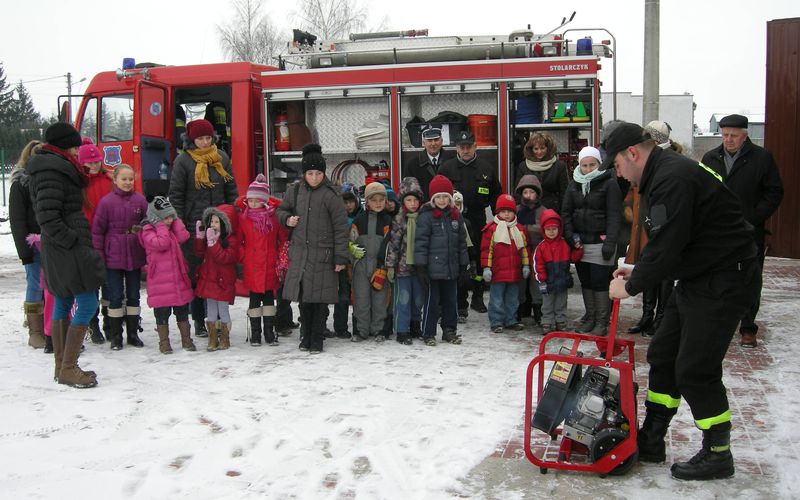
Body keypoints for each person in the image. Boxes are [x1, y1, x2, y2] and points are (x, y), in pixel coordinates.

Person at [606, 122, 760, 481]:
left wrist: (630, 287)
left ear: (633, 153)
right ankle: (654, 437)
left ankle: (718, 453)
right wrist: (637, 270)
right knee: (664, 355)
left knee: (695, 369)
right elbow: (669, 243)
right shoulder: (662, 174)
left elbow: (668, 242)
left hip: (725, 278)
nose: (619, 174)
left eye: (616, 165)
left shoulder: (670, 178)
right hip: (698, 275)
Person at [26, 122, 106, 388]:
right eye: (73, 146)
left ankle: (62, 367)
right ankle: (69, 367)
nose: (76, 151)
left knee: (62, 299)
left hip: (60, 247)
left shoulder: (53, 168)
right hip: (66, 247)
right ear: (64, 146)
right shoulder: (52, 171)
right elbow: (48, 216)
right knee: (86, 303)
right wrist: (72, 240)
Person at [701, 114, 784, 348]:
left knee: (749, 279)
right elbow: (701, 191)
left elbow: (774, 192)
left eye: (734, 136)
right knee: (716, 277)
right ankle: (716, 323)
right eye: (725, 134)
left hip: (748, 231)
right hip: (717, 232)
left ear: (744, 136)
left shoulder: (761, 158)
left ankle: (748, 327)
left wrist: (754, 218)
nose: (728, 140)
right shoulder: (710, 158)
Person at [169, 119, 238, 338]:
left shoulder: (222, 158)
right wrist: (180, 225)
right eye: (200, 138)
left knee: (217, 272)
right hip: (194, 226)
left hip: (218, 225)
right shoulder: (183, 161)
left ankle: (219, 319)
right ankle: (199, 320)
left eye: (208, 138)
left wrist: (230, 219)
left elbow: (231, 190)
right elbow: (176, 195)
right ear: (192, 140)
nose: (205, 142)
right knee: (197, 274)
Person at [277, 144, 349, 354]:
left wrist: (340, 258)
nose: (315, 177)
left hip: (323, 256)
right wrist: (287, 219)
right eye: (310, 173)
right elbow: (281, 210)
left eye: (318, 173)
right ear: (304, 173)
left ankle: (316, 338)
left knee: (319, 301)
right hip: (300, 255)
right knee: (304, 299)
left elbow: (340, 228)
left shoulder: (331, 195)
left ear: (324, 173)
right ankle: (304, 336)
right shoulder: (295, 191)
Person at [561, 146, 622, 336]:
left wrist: (610, 242)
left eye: (592, 165)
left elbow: (614, 215)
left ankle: (602, 321)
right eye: (584, 165)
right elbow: (566, 212)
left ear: (599, 164)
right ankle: (591, 316)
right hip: (581, 242)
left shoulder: (609, 183)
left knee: (600, 282)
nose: (588, 169)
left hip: (600, 240)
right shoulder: (574, 184)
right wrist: (570, 236)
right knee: (586, 281)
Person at [439, 130, 501, 315]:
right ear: (456, 148)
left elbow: (496, 196)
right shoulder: (446, 168)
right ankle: (460, 301)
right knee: (458, 259)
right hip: (453, 221)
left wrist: (499, 220)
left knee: (479, 260)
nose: (465, 150)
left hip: (477, 219)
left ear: (475, 147)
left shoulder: (486, 168)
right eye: (462, 147)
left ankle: (478, 297)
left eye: (469, 146)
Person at [626, 121, 677, 337]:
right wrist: (630, 213)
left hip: (663, 230)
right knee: (647, 269)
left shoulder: (671, 165)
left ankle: (661, 318)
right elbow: (631, 196)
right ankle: (647, 315)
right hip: (644, 229)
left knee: (665, 273)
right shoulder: (641, 165)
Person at [91, 164, 148, 350]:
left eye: (131, 179)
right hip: (112, 256)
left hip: (134, 254)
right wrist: (99, 255)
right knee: (115, 296)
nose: (127, 182)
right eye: (123, 179)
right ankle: (116, 336)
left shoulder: (140, 201)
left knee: (133, 295)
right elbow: (98, 231)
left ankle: (133, 333)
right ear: (115, 180)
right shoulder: (106, 202)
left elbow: (147, 225)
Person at [414, 175, 469, 346]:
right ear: (432, 199)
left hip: (451, 268)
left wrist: (463, 265)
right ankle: (428, 332)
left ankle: (449, 330)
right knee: (432, 303)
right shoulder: (426, 216)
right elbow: (421, 243)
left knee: (451, 301)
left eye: (446, 196)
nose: (442, 200)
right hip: (432, 270)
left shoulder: (456, 216)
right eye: (438, 197)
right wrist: (421, 266)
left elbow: (462, 243)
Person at [138, 196, 198, 354]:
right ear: (155, 219)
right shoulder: (147, 232)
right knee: (162, 314)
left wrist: (176, 219)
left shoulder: (172, 229)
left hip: (177, 279)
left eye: (172, 216)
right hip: (160, 281)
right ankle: (164, 342)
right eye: (166, 217)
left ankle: (186, 339)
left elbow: (183, 236)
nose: (170, 220)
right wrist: (159, 225)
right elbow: (162, 243)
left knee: (182, 311)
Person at [238, 174, 286, 347]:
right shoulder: (244, 218)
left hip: (269, 264)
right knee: (254, 300)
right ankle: (256, 334)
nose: (252, 204)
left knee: (268, 299)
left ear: (264, 201)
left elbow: (282, 240)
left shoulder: (273, 219)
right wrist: (244, 256)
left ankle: (269, 332)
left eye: (256, 201)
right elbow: (238, 242)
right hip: (252, 265)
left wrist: (279, 258)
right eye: (249, 200)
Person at [9, 140, 46, 350]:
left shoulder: (48, 181)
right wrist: (24, 252)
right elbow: (17, 220)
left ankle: (47, 325)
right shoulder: (20, 184)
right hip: (33, 244)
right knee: (34, 284)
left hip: (51, 242)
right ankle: (35, 331)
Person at [79, 137, 113, 344]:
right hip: (87, 242)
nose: (94, 165)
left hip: (109, 242)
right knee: (91, 287)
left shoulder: (108, 181)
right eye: (89, 162)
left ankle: (111, 322)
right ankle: (93, 324)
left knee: (110, 286)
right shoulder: (78, 185)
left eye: (96, 161)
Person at [349, 181, 393, 342]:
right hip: (360, 267)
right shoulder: (358, 220)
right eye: (373, 200)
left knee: (380, 300)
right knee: (361, 300)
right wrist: (351, 249)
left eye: (381, 200)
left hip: (380, 267)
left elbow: (391, 245)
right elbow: (350, 240)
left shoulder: (388, 221)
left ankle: (379, 330)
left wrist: (385, 266)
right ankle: (361, 330)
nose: (378, 203)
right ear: (366, 202)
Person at [480, 194, 530, 333]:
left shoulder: (519, 229)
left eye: (509, 211)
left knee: (513, 299)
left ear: (514, 212)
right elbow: (486, 250)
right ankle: (496, 321)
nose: (506, 214)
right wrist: (487, 268)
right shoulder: (492, 229)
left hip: (514, 272)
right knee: (496, 299)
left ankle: (511, 320)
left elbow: (524, 249)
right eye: (503, 211)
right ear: (498, 213)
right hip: (497, 272)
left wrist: (526, 265)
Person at [385, 177, 426, 345]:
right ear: (403, 201)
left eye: (416, 199)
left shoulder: (424, 217)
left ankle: (415, 325)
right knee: (403, 299)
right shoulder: (399, 219)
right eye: (409, 200)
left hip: (420, 267)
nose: (413, 203)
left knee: (418, 299)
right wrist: (390, 266)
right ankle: (402, 330)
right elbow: (394, 244)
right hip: (403, 268)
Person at [194, 205, 240, 351]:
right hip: (209, 280)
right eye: (211, 221)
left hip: (223, 281)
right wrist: (200, 239)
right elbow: (200, 254)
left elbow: (225, 258)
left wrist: (213, 244)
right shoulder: (209, 236)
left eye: (216, 222)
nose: (213, 225)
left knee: (223, 309)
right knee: (211, 310)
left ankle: (225, 338)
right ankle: (212, 338)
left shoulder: (231, 241)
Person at [533, 209, 582, 333]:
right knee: (547, 304)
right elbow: (537, 264)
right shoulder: (541, 247)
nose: (551, 232)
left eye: (554, 229)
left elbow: (572, 258)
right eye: (548, 229)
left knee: (561, 303)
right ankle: (547, 322)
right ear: (543, 230)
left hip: (562, 280)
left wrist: (578, 250)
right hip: (547, 281)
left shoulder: (564, 244)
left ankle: (560, 321)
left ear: (559, 229)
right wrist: (541, 279)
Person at [515, 174, 545, 327]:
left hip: (537, 254)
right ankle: (519, 311)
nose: (528, 196)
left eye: (531, 192)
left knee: (536, 284)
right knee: (520, 283)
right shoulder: (516, 211)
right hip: (520, 253)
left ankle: (538, 311)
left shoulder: (543, 212)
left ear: (537, 194)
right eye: (525, 192)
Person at [333, 182, 362, 339]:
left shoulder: (362, 216)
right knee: (343, 296)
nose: (348, 205)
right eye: (344, 202)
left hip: (358, 262)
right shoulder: (337, 219)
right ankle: (340, 327)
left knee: (359, 295)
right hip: (343, 263)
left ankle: (359, 325)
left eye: (351, 201)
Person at [514, 132, 569, 213]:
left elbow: (564, 193)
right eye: (536, 149)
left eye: (542, 148)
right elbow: (518, 193)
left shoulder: (559, 166)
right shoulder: (523, 166)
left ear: (548, 148)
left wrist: (563, 214)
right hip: (529, 212)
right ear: (531, 149)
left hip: (552, 212)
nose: (539, 152)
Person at [402, 125, 454, 200]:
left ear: (442, 141)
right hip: (423, 209)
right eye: (429, 140)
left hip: (446, 208)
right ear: (423, 143)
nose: (433, 144)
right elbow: (408, 193)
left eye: (436, 140)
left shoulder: (452, 162)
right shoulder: (412, 165)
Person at [452, 191, 477, 323]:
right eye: (453, 204)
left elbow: (471, 243)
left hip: (463, 259)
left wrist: (472, 260)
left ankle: (462, 310)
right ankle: (443, 311)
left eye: (458, 204)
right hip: (449, 259)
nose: (456, 207)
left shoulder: (466, 222)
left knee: (462, 287)